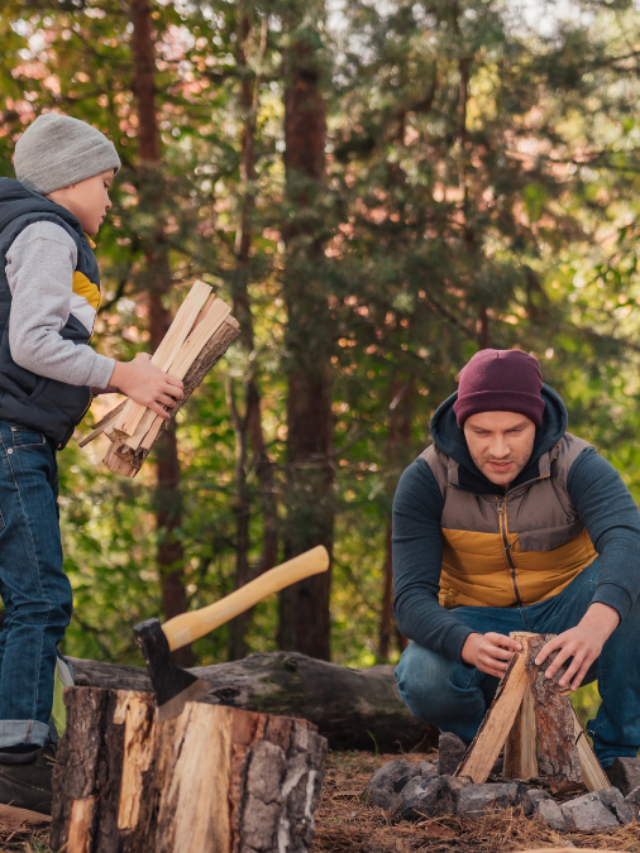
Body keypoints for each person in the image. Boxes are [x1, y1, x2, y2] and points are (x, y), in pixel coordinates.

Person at [0, 113, 184, 813]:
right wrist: (123, 375)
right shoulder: (47, 230)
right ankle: (18, 761)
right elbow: (34, 343)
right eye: (106, 184)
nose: (110, 199)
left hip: (17, 436)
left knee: (24, 596)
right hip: (11, 439)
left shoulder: (24, 228)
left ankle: (19, 739)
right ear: (68, 178)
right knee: (40, 596)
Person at [393, 348, 640, 770]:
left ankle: (618, 755)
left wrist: (595, 627)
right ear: (460, 423)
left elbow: (627, 537)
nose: (499, 449)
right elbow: (410, 599)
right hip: (480, 628)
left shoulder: (578, 464)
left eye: (514, 430)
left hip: (571, 620)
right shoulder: (425, 480)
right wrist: (466, 644)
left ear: (538, 420)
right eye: (482, 432)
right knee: (422, 675)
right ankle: (492, 749)